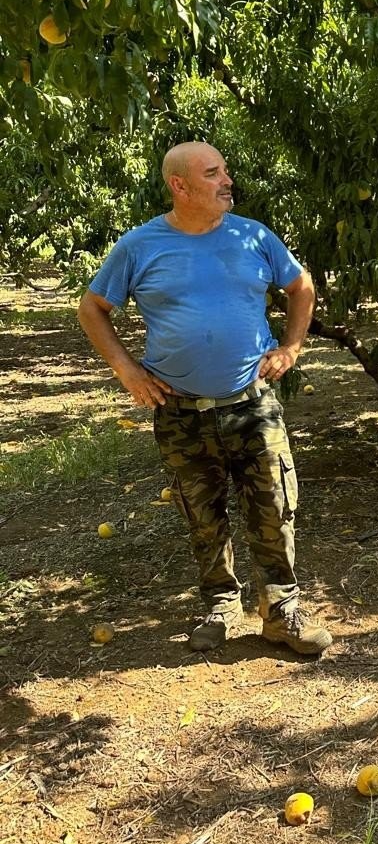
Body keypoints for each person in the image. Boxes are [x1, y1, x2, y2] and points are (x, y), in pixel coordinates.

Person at [77, 142, 331, 656]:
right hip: (181, 411)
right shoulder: (140, 246)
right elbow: (92, 308)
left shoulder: (252, 236)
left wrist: (292, 347)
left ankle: (281, 611)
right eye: (213, 173)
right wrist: (125, 370)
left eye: (225, 170)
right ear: (180, 185)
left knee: (275, 506)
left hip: (251, 404)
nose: (226, 180)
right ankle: (220, 604)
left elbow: (301, 287)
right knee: (202, 512)